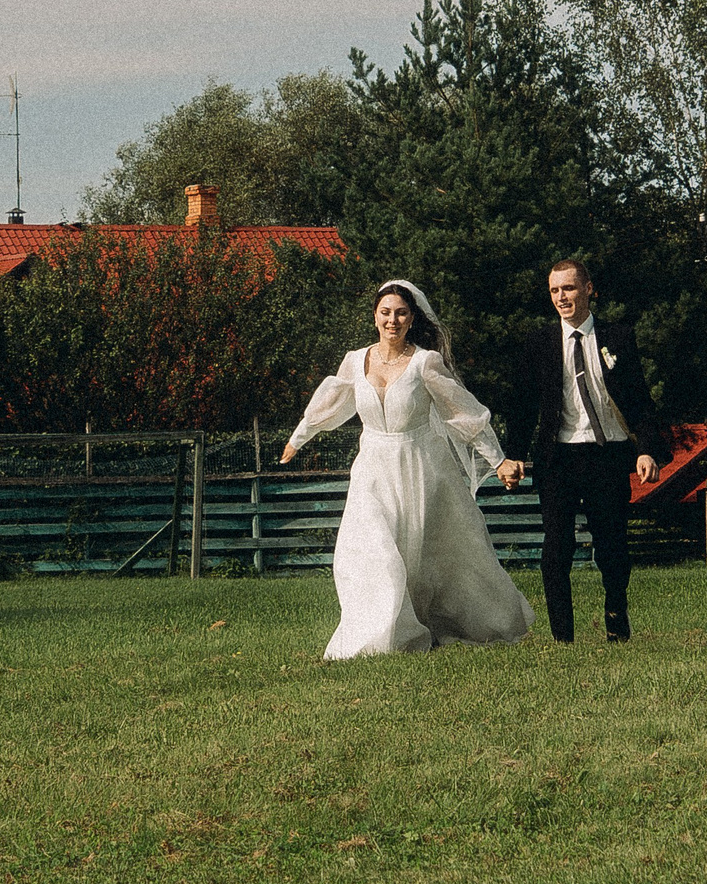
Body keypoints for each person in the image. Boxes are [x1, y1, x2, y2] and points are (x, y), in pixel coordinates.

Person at [281, 280, 534, 659]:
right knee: (371, 549)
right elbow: (328, 404)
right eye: (385, 312)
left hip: (421, 470)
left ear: (412, 318)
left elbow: (463, 414)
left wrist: (497, 460)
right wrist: (297, 439)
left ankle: (452, 621)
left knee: (433, 557)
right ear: (375, 317)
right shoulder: (355, 361)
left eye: (400, 313)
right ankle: (377, 637)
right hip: (372, 471)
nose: (392, 320)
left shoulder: (425, 363)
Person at [506, 256, 658, 643]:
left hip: (607, 454)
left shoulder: (618, 336)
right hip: (558, 458)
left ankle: (616, 619)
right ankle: (563, 638)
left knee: (612, 548)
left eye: (569, 288)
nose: (562, 297)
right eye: (555, 290)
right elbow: (522, 404)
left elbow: (639, 399)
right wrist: (512, 455)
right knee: (555, 551)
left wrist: (647, 449)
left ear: (589, 289)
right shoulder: (539, 342)